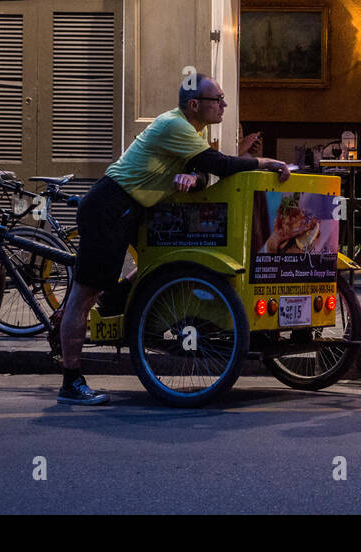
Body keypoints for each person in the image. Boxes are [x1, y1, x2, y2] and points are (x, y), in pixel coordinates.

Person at [56, 76, 291, 405]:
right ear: (195, 105)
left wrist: (193, 178)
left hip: (136, 208)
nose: (223, 105)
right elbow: (220, 165)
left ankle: (115, 302)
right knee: (84, 296)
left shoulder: (195, 130)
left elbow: (205, 173)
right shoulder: (174, 124)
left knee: (154, 267)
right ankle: (71, 382)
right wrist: (265, 162)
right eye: (217, 99)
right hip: (111, 206)